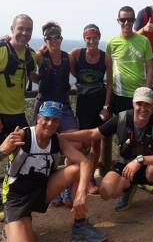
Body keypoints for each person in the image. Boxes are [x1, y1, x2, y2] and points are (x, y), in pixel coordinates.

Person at [0, 101, 107, 242]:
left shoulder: (56, 139)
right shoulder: (23, 136)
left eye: (55, 120)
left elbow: (85, 161)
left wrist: (81, 193)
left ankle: (80, 225)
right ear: (38, 118)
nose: (50, 124)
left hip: (42, 189)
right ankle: (11, 228)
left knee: (77, 170)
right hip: (16, 197)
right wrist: (4, 149)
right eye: (46, 119)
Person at [61, 87, 153, 231]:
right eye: (139, 103)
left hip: (148, 167)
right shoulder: (122, 118)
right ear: (133, 104)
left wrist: (140, 160)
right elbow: (93, 134)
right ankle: (129, 187)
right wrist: (61, 137)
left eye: (148, 104)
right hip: (124, 164)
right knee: (106, 192)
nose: (143, 108)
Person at [0, 14, 36, 222]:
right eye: (21, 28)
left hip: (17, 112)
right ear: (12, 29)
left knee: (21, 155)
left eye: (28, 29)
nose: (24, 33)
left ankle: (12, 195)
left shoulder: (30, 54)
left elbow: (36, 73)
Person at [31, 21, 78, 206]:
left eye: (56, 37)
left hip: (63, 106)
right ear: (45, 39)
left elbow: (79, 71)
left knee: (74, 143)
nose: (53, 40)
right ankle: (49, 188)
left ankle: (65, 185)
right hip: (44, 106)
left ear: (61, 38)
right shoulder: (40, 57)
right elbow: (33, 75)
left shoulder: (68, 58)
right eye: (49, 37)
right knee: (43, 147)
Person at [69, 24, 113, 194]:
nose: (92, 41)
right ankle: (80, 174)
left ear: (99, 37)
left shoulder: (106, 58)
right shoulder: (76, 54)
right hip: (83, 101)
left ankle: (91, 177)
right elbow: (67, 65)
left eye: (94, 37)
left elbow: (109, 85)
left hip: (99, 100)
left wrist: (106, 107)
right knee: (82, 141)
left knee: (96, 141)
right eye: (88, 38)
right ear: (84, 38)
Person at [107, 6, 153, 115]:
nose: (126, 23)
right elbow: (108, 69)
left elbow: (150, 67)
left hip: (139, 94)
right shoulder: (112, 42)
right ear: (118, 21)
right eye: (123, 20)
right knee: (121, 129)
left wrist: (147, 90)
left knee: (139, 129)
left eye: (130, 19)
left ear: (134, 21)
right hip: (119, 94)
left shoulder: (144, 41)